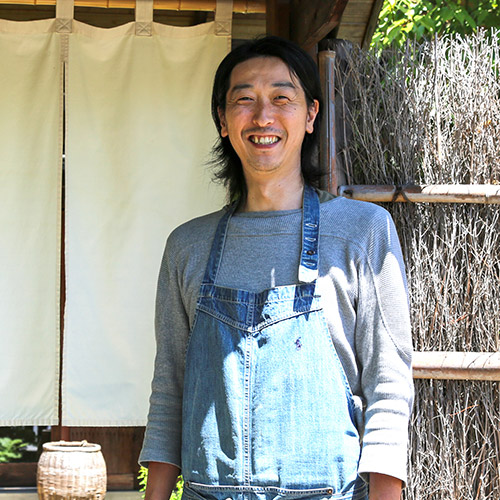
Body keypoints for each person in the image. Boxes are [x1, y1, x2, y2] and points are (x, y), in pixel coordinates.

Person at [139, 36, 414, 500]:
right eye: (244, 99)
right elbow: (170, 390)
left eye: (282, 98)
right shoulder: (187, 246)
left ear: (310, 115)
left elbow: (388, 384)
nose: (263, 116)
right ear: (222, 120)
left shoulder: (362, 231)